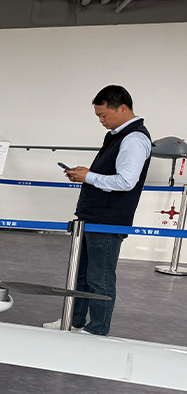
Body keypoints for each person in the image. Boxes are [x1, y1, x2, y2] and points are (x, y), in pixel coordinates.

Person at [44, 85, 151, 335]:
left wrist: (89, 177)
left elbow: (126, 181)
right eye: (98, 116)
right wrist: (86, 174)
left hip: (108, 220)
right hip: (92, 217)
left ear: (122, 108)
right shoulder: (116, 135)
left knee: (99, 278)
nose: (101, 121)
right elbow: (111, 174)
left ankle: (97, 330)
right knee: (80, 275)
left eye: (104, 115)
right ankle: (74, 320)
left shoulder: (134, 139)